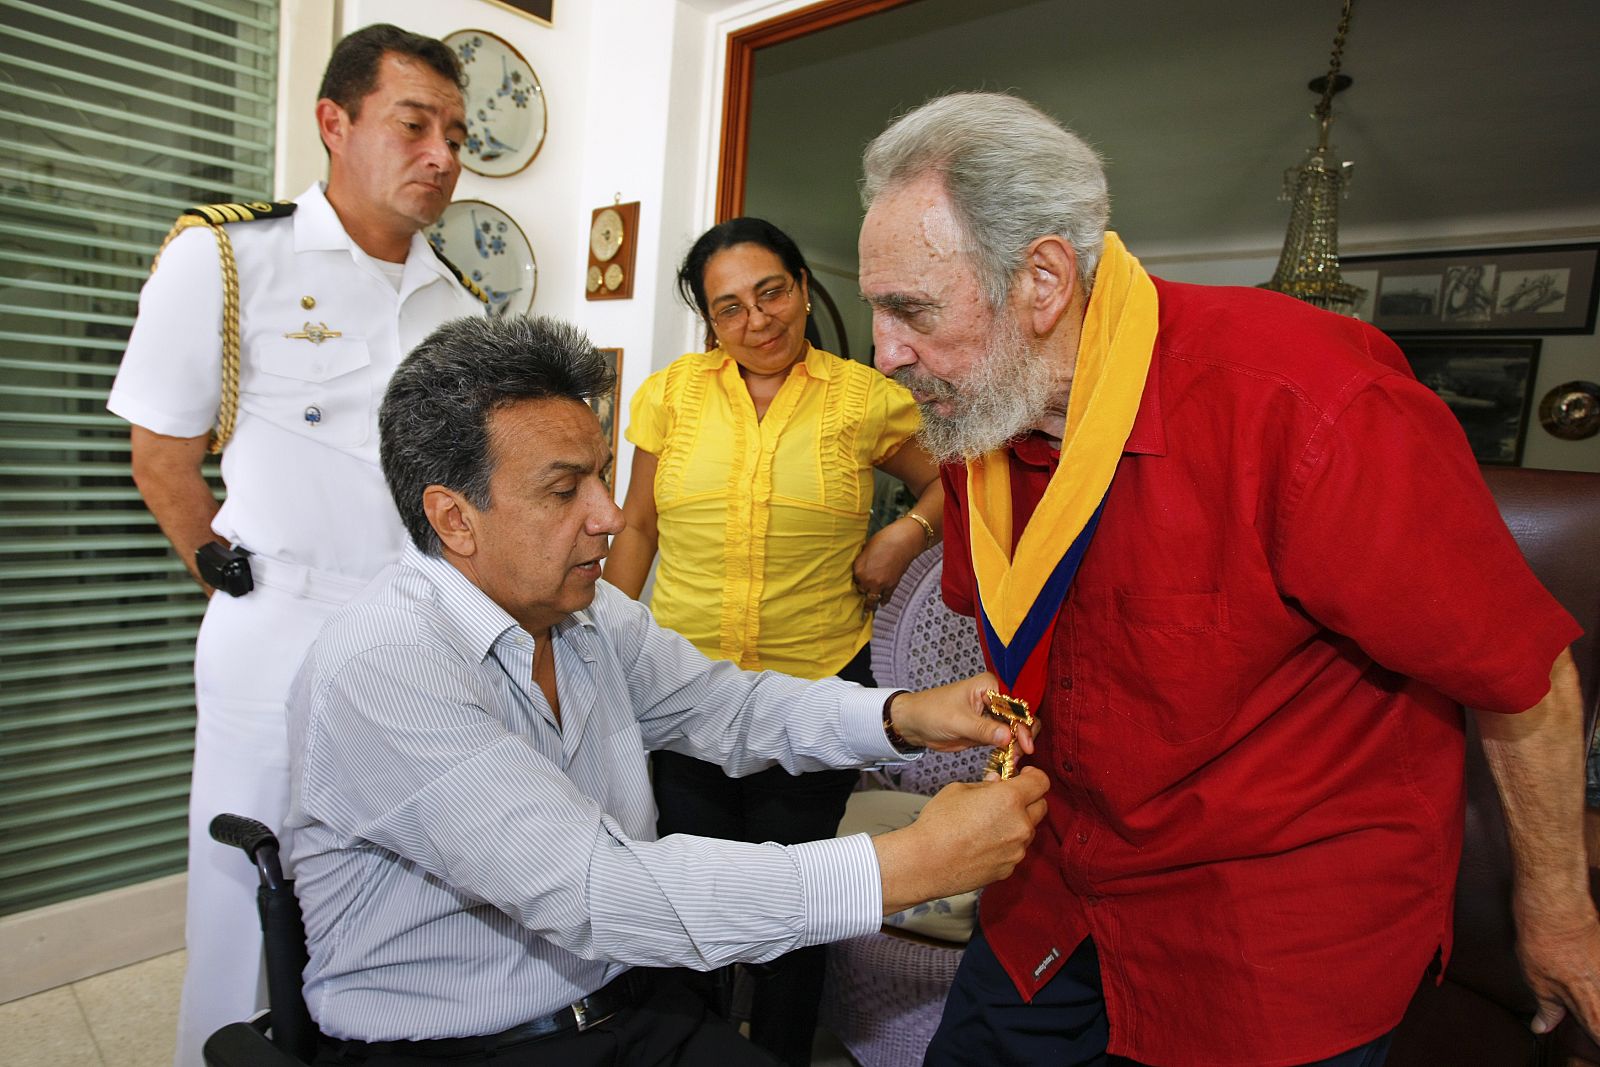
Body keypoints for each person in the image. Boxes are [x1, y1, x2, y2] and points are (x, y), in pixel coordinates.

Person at [855, 92, 1598, 1067]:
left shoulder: (1312, 404)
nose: (884, 354)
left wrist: (1558, 912)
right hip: (1054, 898)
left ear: (1042, 280)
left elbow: (1525, 676)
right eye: (877, 309)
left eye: (910, 310)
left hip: (1262, 945)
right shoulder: (977, 414)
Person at [282, 314, 1050, 1067]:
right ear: (454, 518)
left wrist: (903, 715)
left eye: (601, 475)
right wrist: (908, 866)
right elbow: (597, 891)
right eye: (565, 490)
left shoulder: (588, 616)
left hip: (631, 1004)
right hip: (465, 1045)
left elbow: (733, 707)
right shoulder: (387, 668)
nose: (611, 515)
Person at [105, 24, 485, 1065]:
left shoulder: (460, 302)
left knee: (396, 883)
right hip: (279, 623)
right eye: (415, 125)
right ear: (335, 122)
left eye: (457, 136)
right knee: (248, 886)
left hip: (417, 634)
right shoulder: (229, 257)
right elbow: (161, 455)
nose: (442, 155)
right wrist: (228, 574)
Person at [603, 217, 944, 1064]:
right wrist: (596, 639)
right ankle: (691, 1048)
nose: (757, 321)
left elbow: (954, 477)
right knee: (687, 893)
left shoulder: (863, 399)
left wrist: (905, 533)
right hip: (681, 693)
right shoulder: (672, 396)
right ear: (708, 320)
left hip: (813, 690)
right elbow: (637, 526)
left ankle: (780, 1052)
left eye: (772, 293)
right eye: (730, 307)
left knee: (800, 896)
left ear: (801, 287)